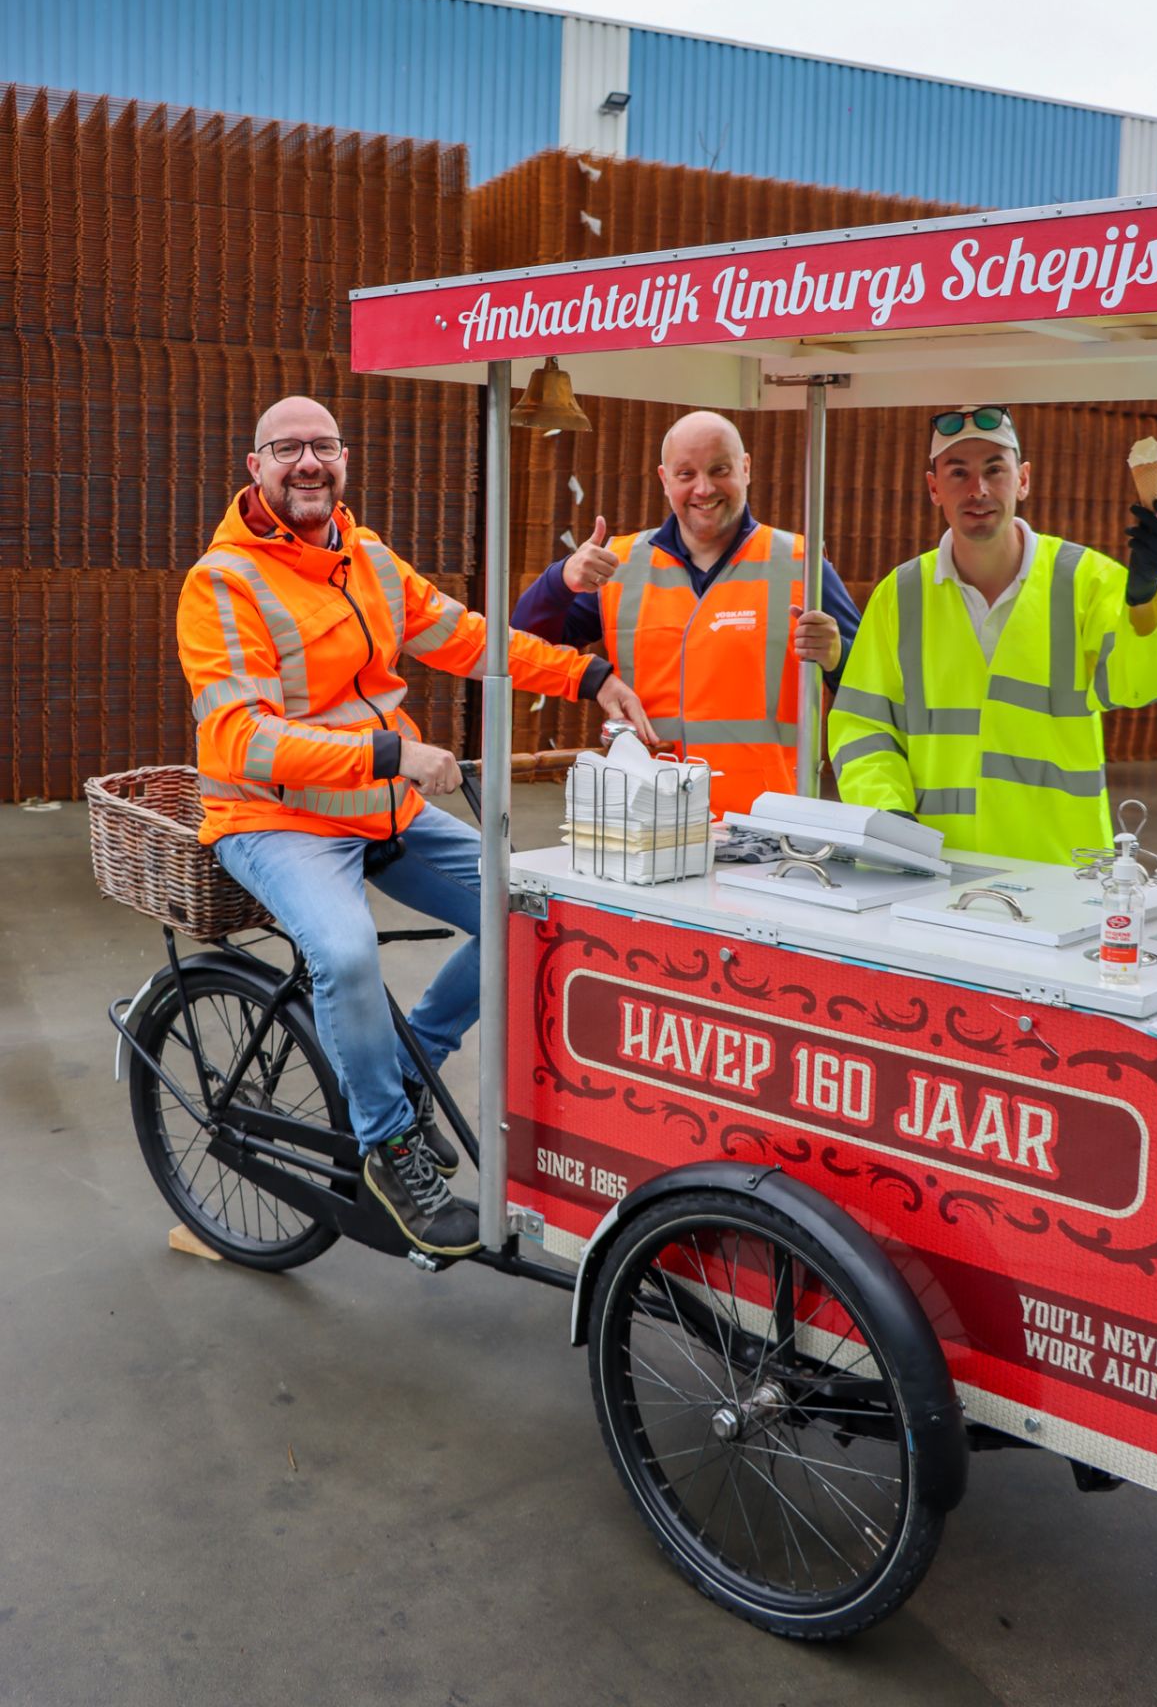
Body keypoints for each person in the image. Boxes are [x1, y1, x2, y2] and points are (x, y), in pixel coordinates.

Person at [176, 396, 655, 1259]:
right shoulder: (222, 582)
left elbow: (469, 639)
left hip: (377, 805)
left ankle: (410, 1061)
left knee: (528, 907)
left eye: (324, 446)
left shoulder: (367, 558)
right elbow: (242, 739)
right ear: (256, 467)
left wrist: (585, 677)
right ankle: (387, 1145)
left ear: (344, 459)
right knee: (347, 953)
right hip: (274, 819)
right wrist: (390, 753)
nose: (308, 463)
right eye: (287, 449)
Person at [828, 406, 1157, 865]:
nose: (977, 490)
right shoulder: (900, 595)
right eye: (958, 473)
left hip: (1060, 869)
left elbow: (1143, 686)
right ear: (934, 488)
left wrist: (1144, 596)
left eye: (994, 470)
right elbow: (862, 726)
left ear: (1023, 480)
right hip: (933, 864)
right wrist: (888, 813)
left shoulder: (1088, 581)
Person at [511, 410, 861, 817]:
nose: (704, 488)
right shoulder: (621, 566)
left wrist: (837, 654)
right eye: (686, 474)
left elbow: (873, 685)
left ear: (746, 468)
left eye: (720, 469)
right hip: (649, 819)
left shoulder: (801, 564)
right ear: (664, 480)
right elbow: (525, 645)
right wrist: (560, 580)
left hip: (766, 820)